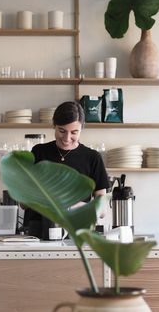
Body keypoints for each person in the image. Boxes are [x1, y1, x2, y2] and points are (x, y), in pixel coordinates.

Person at [23, 101, 110, 239]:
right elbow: (23, 202)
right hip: (37, 232)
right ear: (54, 125)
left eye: (74, 132)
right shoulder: (38, 152)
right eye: (62, 131)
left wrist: (73, 206)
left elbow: (102, 208)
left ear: (82, 129)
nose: (67, 138)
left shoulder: (92, 158)